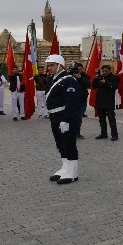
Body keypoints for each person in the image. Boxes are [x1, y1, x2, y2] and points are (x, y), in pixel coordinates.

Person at [44, 55, 81, 185]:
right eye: (49, 65)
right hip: (54, 116)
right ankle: (65, 168)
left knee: (69, 144)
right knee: (60, 144)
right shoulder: (52, 79)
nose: (49, 68)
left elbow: (72, 102)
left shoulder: (69, 80)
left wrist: (66, 119)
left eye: (52, 65)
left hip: (65, 117)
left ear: (60, 65)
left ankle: (73, 172)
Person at [92, 64, 119, 141]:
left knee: (111, 119)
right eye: (103, 71)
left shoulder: (114, 77)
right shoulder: (100, 76)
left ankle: (114, 135)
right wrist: (97, 77)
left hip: (109, 101)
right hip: (100, 101)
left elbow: (114, 87)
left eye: (106, 71)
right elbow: (93, 86)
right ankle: (103, 133)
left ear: (110, 70)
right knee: (101, 119)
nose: (104, 72)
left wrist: (106, 83)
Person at [71, 63, 90, 139]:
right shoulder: (70, 76)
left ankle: (77, 133)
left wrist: (80, 78)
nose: (79, 71)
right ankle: (71, 132)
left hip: (82, 100)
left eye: (80, 69)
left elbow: (88, 85)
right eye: (77, 69)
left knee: (79, 117)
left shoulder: (85, 76)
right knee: (72, 117)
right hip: (72, 100)